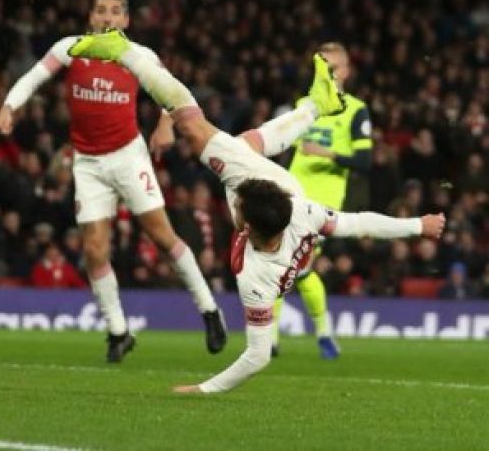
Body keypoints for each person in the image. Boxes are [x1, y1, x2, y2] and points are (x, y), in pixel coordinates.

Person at [67, 29, 444, 393]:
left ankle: (316, 105)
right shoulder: (301, 214)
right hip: (282, 189)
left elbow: (257, 356)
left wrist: (202, 389)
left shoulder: (254, 278)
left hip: (265, 189)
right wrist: (418, 225)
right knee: (191, 124)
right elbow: (360, 223)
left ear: (245, 225)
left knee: (244, 143)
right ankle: (123, 51)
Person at [0, 0, 226, 362]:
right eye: (100, 10)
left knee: (162, 237)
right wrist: (10, 106)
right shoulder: (71, 48)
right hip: (88, 163)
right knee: (93, 250)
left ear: (126, 22)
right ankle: (118, 332)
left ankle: (210, 311)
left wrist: (165, 125)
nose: (107, 17)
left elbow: (171, 92)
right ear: (90, 17)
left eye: (115, 12)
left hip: (128, 157)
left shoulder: (138, 56)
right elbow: (34, 76)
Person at [275, 41, 372, 358]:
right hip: (291, 191)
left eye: (331, 68)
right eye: (321, 68)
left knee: (288, 263)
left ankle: (275, 338)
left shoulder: (356, 110)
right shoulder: (305, 103)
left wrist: (326, 153)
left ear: (345, 71)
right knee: (282, 262)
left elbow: (365, 160)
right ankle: (320, 333)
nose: (325, 74)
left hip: (324, 200)